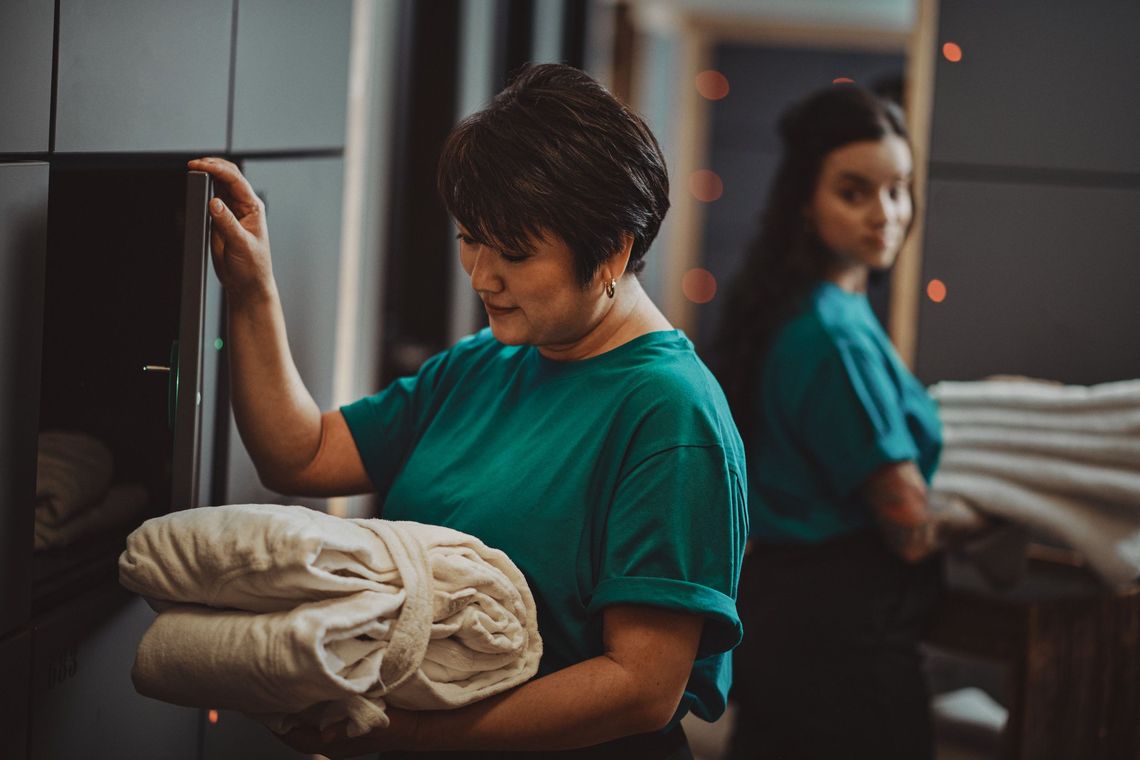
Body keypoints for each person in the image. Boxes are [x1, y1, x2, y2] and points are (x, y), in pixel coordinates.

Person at [188, 63, 747, 759]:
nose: (482, 275)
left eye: (513, 251)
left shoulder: (671, 415)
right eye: (469, 238)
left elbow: (640, 687)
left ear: (612, 251)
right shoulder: (488, 362)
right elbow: (300, 453)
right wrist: (252, 292)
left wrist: (419, 736)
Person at [712, 85, 986, 760]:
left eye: (899, 189)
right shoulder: (832, 335)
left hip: (787, 624)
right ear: (805, 199)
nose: (886, 215)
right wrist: (995, 514)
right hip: (838, 645)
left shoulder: (812, 310)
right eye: (855, 191)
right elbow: (910, 529)